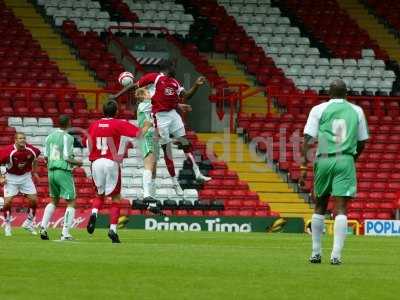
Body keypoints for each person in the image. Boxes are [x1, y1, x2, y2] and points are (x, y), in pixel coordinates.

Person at [112, 60, 211, 196]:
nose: (175, 68)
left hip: (168, 115)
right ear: (167, 68)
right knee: (163, 154)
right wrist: (116, 96)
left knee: (182, 143)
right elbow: (135, 86)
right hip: (154, 119)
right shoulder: (154, 78)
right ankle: (171, 185)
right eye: (173, 66)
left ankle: (197, 173)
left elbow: (182, 97)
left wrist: (195, 86)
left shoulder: (174, 82)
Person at [299, 80, 369, 265]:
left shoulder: (318, 109)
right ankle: (336, 256)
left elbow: (307, 141)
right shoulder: (357, 111)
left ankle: (315, 253)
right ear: (347, 93)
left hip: (324, 158)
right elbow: (362, 141)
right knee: (341, 208)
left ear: (329, 93)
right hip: (345, 159)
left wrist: (304, 168)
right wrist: (352, 158)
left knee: (319, 205)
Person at [85, 100, 140, 243]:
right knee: (115, 198)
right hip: (111, 161)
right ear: (116, 112)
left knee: (99, 194)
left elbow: (88, 142)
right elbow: (138, 133)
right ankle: (113, 230)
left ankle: (94, 213)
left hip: (96, 162)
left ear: (103, 111)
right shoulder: (119, 123)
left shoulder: (94, 125)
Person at [40, 115, 83, 241]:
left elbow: (46, 157)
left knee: (53, 200)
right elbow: (66, 157)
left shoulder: (49, 137)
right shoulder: (68, 137)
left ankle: (43, 227)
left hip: (51, 171)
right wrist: (78, 163)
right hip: (62, 171)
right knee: (71, 201)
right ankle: (65, 233)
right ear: (69, 123)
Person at [0, 132, 40, 236]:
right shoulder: (8, 151)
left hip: (25, 177)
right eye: (20, 138)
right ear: (15, 140)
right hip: (11, 178)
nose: (22, 140)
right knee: (7, 202)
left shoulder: (31, 150)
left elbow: (35, 159)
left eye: (24, 138)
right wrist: (1, 176)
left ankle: (28, 223)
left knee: (34, 200)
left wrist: (34, 172)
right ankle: (8, 225)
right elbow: (1, 163)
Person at [135, 88, 159, 203]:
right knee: (148, 165)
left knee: (154, 169)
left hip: (153, 137)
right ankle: (146, 194)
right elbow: (159, 102)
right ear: (142, 96)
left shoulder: (148, 106)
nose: (150, 94)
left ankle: (152, 196)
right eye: (148, 93)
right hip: (146, 136)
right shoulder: (143, 105)